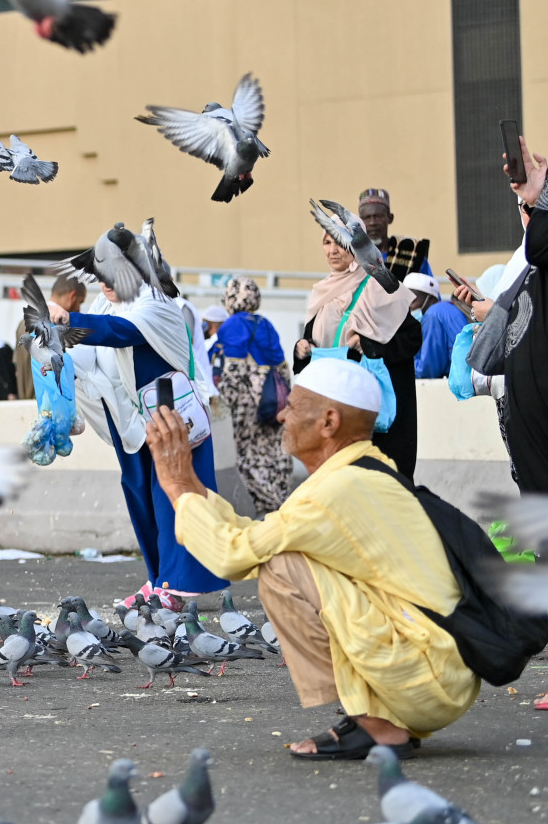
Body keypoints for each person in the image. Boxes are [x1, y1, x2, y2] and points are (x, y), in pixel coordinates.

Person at [147, 357, 480, 757]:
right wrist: (189, 486)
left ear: (328, 422)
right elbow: (252, 536)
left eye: (295, 405)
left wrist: (177, 483)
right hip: (439, 673)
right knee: (284, 557)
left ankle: (378, 725)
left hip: (423, 680)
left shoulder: (338, 489)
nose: (283, 412)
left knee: (278, 570)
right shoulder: (365, 469)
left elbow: (231, 555)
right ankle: (370, 716)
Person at [64, 282, 226, 603]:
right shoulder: (103, 303)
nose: (106, 282)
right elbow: (84, 356)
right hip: (129, 420)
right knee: (141, 498)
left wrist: (70, 322)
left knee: (170, 497)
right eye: (100, 273)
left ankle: (176, 584)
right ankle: (158, 579)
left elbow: (122, 331)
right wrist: (56, 354)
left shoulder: (155, 301)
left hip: (167, 412)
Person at [454, 136, 548, 495]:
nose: (528, 213)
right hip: (518, 398)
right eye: (525, 208)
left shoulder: (535, 250)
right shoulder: (521, 257)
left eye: (535, 208)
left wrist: (490, 311)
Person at [295, 228, 420, 478]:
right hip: (336, 409)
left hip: (374, 416)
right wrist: (302, 350)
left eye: (340, 243)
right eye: (327, 242)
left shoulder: (379, 286)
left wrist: (371, 345)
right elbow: (317, 343)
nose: (332, 250)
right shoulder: (322, 292)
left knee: (380, 485)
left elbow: (412, 337)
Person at [216, 276, 292, 515]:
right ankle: (279, 502)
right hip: (275, 397)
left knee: (246, 453)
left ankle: (264, 505)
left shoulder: (232, 325)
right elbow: (282, 366)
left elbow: (234, 368)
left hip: (247, 399)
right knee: (272, 451)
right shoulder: (266, 323)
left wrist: (222, 400)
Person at [16, 276, 86, 400]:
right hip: (49, 405)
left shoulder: (22, 323)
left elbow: (18, 367)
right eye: (80, 302)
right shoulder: (60, 326)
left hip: (26, 402)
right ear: (72, 296)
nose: (79, 309)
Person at [403, 273, 468, 381]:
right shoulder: (447, 309)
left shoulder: (433, 314)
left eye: (412, 301)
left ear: (431, 299)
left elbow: (428, 370)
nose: (408, 307)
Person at [358, 188, 433, 279]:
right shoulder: (351, 255)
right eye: (367, 218)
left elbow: (429, 290)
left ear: (390, 218)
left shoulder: (413, 252)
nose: (372, 223)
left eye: (378, 216)